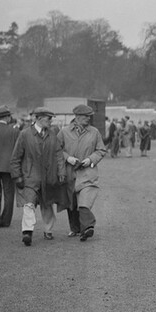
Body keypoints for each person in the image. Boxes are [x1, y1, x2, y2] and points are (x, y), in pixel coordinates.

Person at [10, 107, 66, 246]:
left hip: (48, 176)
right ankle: (27, 232)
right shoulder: (25, 134)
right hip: (30, 176)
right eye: (48, 118)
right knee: (29, 203)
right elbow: (16, 157)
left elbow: (59, 154)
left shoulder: (53, 134)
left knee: (47, 203)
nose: (51, 121)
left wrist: (61, 172)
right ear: (39, 118)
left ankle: (48, 230)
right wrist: (17, 176)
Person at [59, 104, 107, 242]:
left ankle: (88, 227)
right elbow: (57, 149)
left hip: (88, 172)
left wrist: (90, 159)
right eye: (86, 116)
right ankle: (75, 229)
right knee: (72, 202)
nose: (88, 119)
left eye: (89, 116)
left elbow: (101, 150)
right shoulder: (64, 132)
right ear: (77, 117)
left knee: (84, 201)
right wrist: (68, 158)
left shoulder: (94, 132)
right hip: (69, 172)